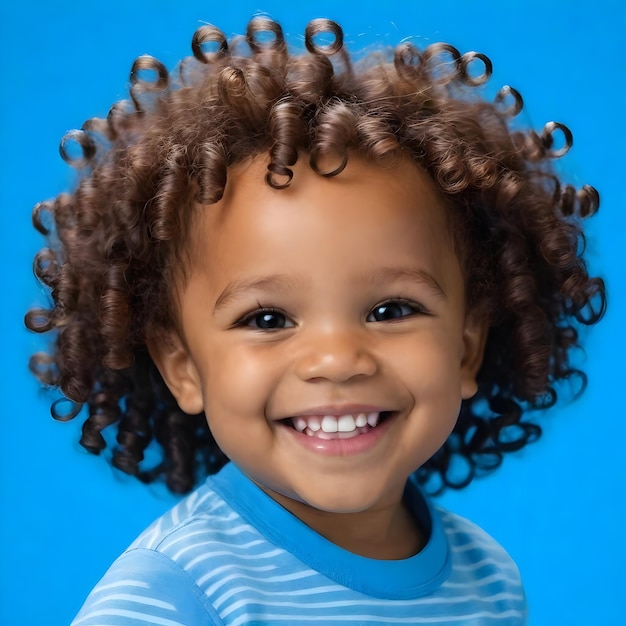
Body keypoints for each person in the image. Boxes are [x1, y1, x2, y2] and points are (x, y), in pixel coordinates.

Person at [26, 15, 605, 625]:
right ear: (183, 366)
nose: (337, 359)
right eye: (268, 318)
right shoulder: (175, 593)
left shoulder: (487, 578)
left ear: (467, 347)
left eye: (391, 310)